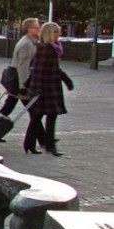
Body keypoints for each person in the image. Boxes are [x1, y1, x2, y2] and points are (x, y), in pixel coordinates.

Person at [22, 22, 73, 156]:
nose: (59, 34)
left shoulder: (47, 48)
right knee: (45, 116)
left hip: (49, 86)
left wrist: (66, 80)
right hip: (46, 87)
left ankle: (31, 144)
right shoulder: (46, 49)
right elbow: (38, 70)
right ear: (49, 34)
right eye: (56, 32)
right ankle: (47, 146)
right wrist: (37, 88)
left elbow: (53, 68)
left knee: (39, 116)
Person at [0, 17, 40, 116]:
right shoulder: (27, 44)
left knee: (8, 106)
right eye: (36, 27)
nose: (39, 29)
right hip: (18, 79)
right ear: (29, 29)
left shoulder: (30, 42)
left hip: (17, 78)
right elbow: (23, 65)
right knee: (33, 112)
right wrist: (23, 85)